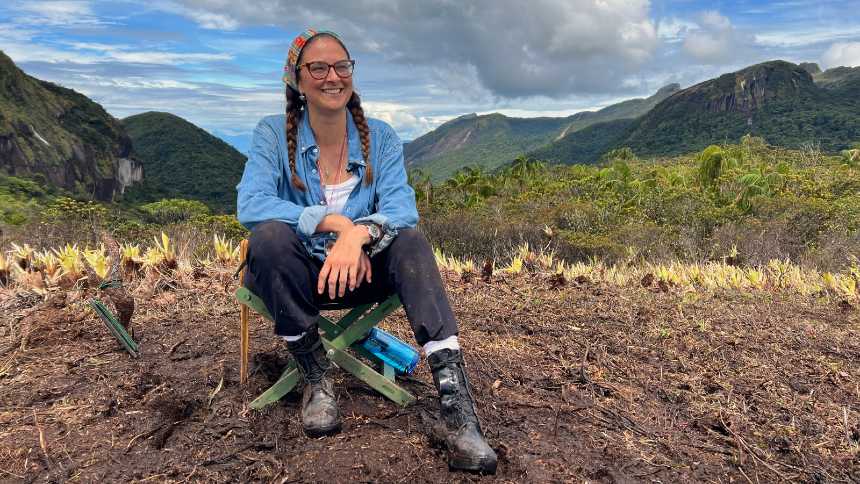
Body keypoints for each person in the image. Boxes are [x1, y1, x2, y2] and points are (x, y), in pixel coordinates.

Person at [235, 28, 497, 474]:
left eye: (342, 66)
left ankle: (457, 412)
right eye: (317, 67)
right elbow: (252, 203)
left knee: (411, 241)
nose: (332, 76)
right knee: (269, 239)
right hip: (297, 280)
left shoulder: (382, 137)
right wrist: (333, 223)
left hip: (361, 276)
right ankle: (317, 378)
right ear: (298, 80)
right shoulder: (273, 135)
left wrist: (358, 237)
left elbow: (401, 208)